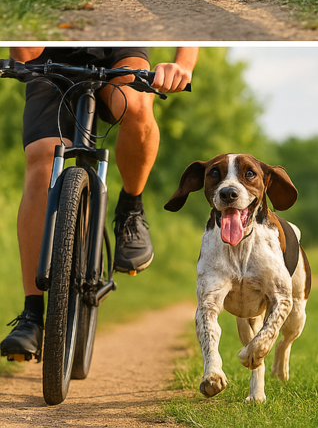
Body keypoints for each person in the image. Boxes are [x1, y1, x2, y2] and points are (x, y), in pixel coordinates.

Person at [0, 46, 198, 363]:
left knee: (137, 106)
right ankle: (32, 315)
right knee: (43, 161)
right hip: (50, 53)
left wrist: (183, 64)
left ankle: (131, 210)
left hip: (119, 49)